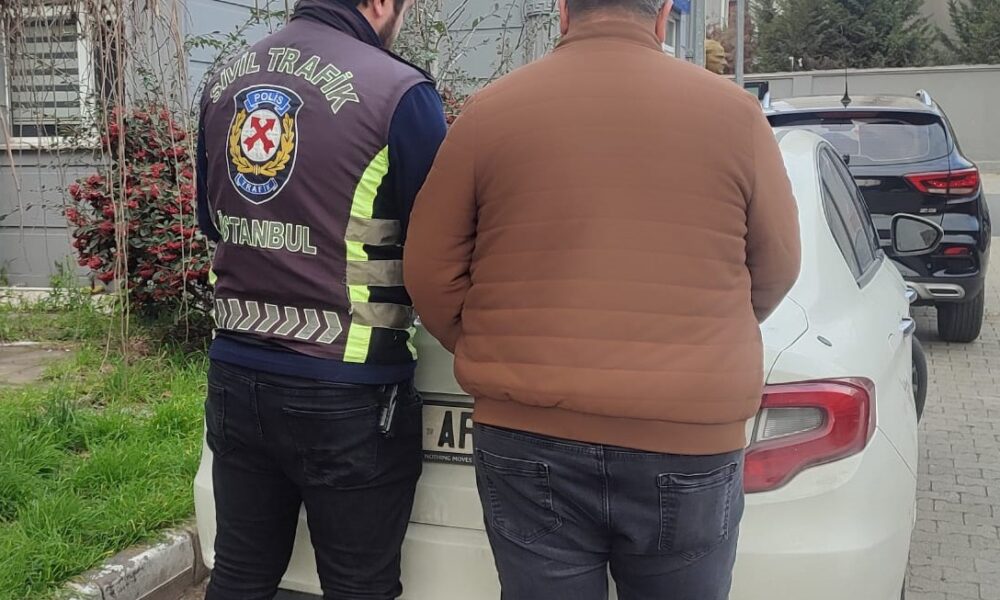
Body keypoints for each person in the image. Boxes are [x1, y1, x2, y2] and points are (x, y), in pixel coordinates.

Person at [403, 0, 801, 597]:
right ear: (663, 16)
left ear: (563, 12)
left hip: (529, 431)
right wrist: (706, 335)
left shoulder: (490, 112)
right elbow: (777, 266)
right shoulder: (736, 116)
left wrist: (492, 343)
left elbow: (428, 270)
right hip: (687, 439)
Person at [195, 0, 446, 597]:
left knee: (240, 574)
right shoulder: (399, 92)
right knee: (359, 584)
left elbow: (211, 220)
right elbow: (442, 242)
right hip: (350, 387)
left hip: (236, 373)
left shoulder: (224, 81)